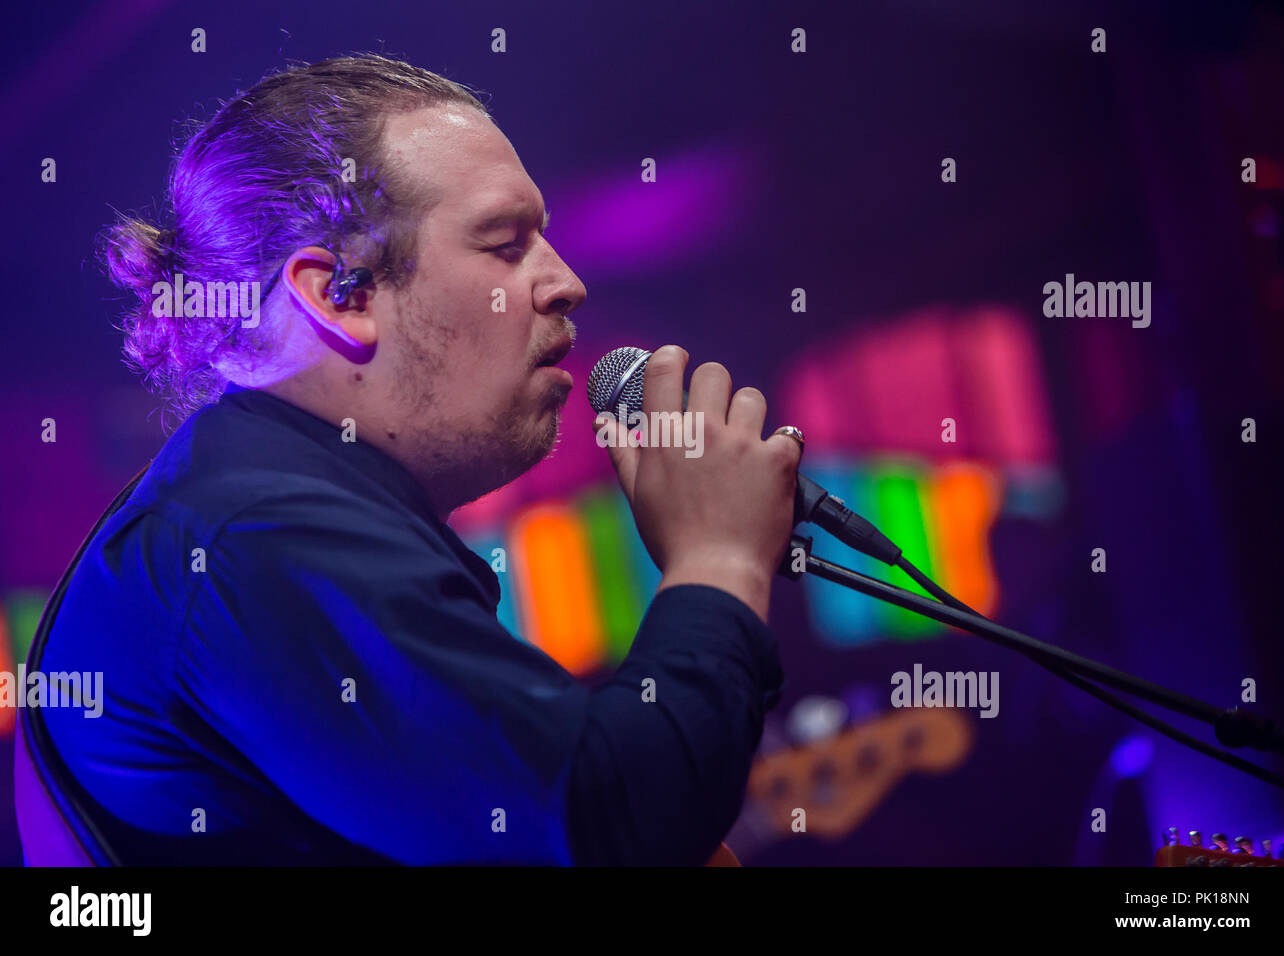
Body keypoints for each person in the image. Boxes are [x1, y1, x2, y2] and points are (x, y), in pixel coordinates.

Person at [37, 55, 802, 865]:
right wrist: (718, 560)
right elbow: (602, 823)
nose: (567, 282)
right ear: (342, 296)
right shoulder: (258, 535)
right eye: (506, 243)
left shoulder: (258, 506)